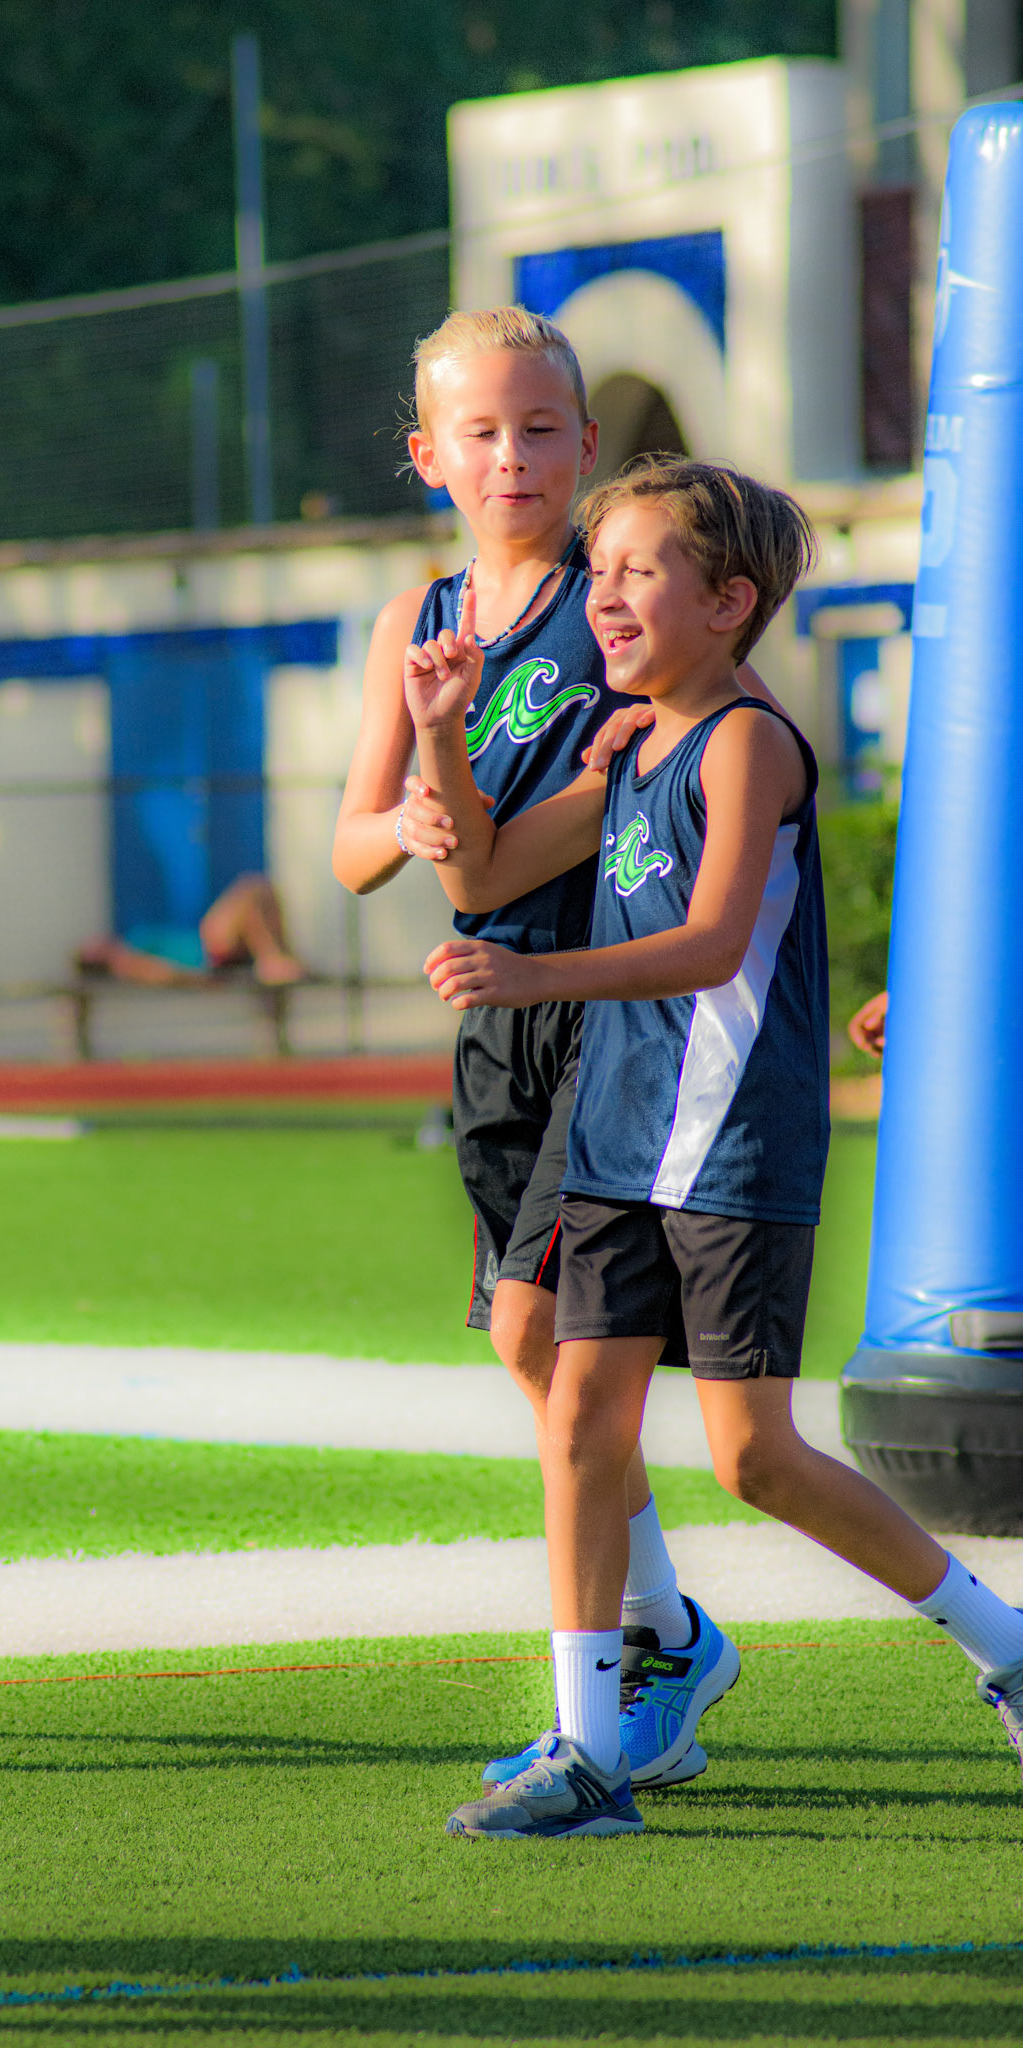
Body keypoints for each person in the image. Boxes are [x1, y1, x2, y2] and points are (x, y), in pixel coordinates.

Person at [408, 454, 1023, 1840]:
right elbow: (482, 872)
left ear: (730, 603)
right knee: (581, 1421)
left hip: (731, 1141)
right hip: (616, 1138)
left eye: (638, 571)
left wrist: (533, 978)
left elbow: (710, 943)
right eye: (599, 570)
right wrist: (442, 734)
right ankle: (589, 1753)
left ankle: (1006, 1644)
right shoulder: (629, 742)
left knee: (754, 1457)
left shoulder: (745, 743)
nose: (603, 595)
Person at [334, 308, 764, 1792]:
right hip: (494, 1021)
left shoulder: (621, 599)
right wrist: (411, 813)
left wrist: (472, 826)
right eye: (480, 431)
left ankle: (639, 1658)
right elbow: (354, 848)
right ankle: (667, 1636)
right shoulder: (416, 620)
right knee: (534, 1352)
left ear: (586, 444)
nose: (510, 456)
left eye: (538, 429)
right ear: (427, 455)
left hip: (605, 1005)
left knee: (547, 1343)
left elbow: (527, 851)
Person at [74, 873, 306, 988]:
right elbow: (163, 974)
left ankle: (277, 957)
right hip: (206, 952)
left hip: (208, 946)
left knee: (260, 895)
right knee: (250, 892)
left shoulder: (130, 942)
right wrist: (201, 979)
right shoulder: (125, 961)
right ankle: (272, 960)